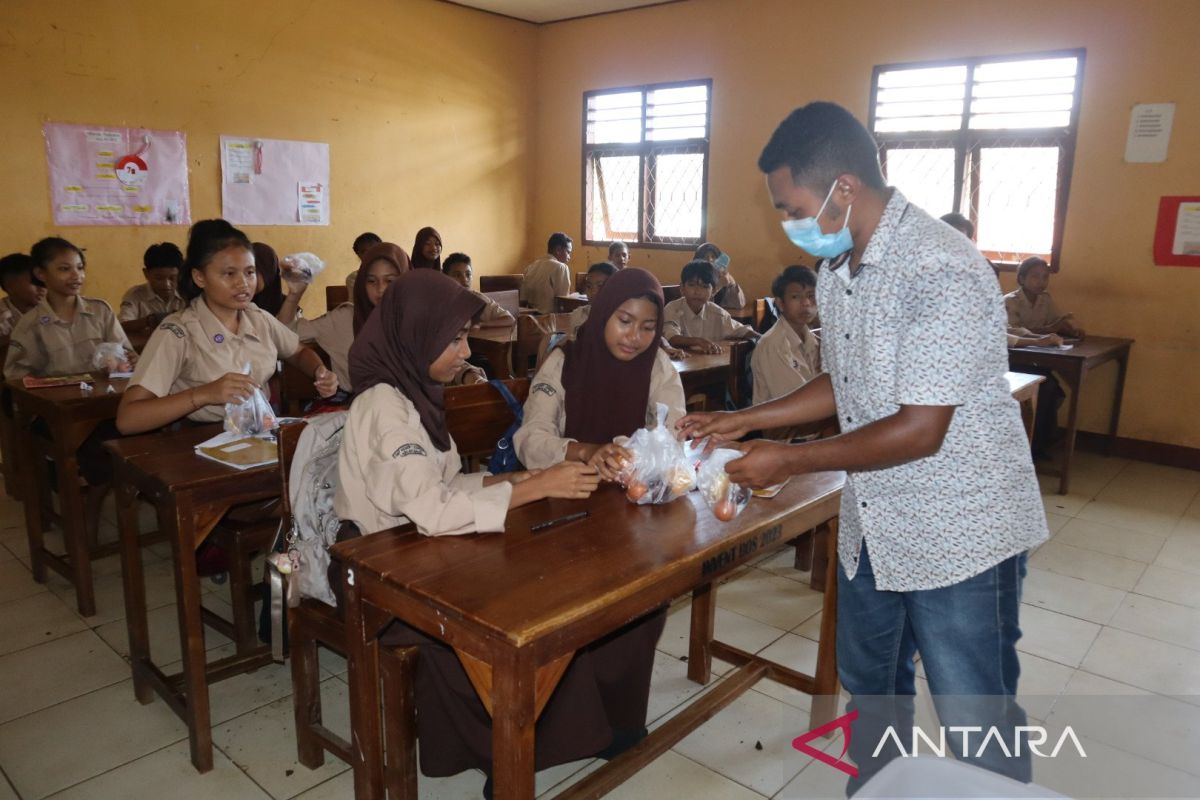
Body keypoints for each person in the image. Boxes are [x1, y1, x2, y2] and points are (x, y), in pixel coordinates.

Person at [678, 102, 1047, 792]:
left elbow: (919, 427)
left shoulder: (941, 268)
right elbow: (843, 380)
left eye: (791, 208)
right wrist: (749, 422)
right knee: (872, 687)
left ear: (844, 188)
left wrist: (785, 460)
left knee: (974, 709)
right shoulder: (840, 269)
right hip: (877, 517)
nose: (787, 223)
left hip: (959, 527)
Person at [336, 269, 663, 787]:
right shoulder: (384, 407)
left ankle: (564, 732)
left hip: (420, 546)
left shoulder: (413, 391)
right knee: (525, 614)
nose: (466, 351)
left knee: (563, 590)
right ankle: (507, 752)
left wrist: (519, 478)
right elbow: (433, 510)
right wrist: (531, 488)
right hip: (385, 572)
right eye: (455, 338)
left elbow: (442, 488)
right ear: (417, 334)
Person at [116, 219, 337, 434]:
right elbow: (128, 419)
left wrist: (320, 371)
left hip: (260, 429)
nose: (243, 283)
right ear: (199, 277)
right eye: (229, 274)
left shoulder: (258, 318)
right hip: (200, 440)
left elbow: (298, 352)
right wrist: (203, 394)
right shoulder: (178, 331)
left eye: (249, 272)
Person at [514, 267, 686, 472]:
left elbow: (674, 434)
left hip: (635, 489)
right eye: (624, 321)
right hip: (566, 486)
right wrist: (586, 451)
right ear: (603, 314)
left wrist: (633, 453)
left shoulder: (656, 364)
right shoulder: (565, 362)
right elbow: (531, 439)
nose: (634, 336)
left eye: (648, 327)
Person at [5, 237, 132, 380]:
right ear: (41, 274)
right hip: (57, 399)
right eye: (64, 269)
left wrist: (123, 363)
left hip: (104, 395)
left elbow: (126, 354)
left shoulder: (100, 311)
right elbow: (17, 375)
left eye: (80, 267)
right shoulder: (30, 324)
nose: (76, 275)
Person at [751, 265, 821, 439]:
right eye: (796, 297)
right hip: (786, 439)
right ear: (780, 303)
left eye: (811, 296)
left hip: (815, 431)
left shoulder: (813, 340)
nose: (806, 303)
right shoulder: (773, 344)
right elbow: (800, 406)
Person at [663, 260, 757, 354]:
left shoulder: (717, 313)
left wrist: (764, 339)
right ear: (682, 288)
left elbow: (742, 330)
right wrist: (699, 341)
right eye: (691, 285)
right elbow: (671, 338)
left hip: (711, 365)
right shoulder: (672, 309)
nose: (697, 291)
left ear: (713, 291)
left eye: (705, 286)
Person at [1004, 257, 1084, 338]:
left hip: (1040, 346)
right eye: (1035, 276)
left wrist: (1071, 331)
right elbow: (1012, 332)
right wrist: (1049, 329)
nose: (1041, 281)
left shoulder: (1045, 299)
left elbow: (1055, 324)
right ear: (1022, 279)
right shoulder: (1009, 301)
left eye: (1045, 277)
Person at [119, 242, 187, 336]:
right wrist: (150, 320)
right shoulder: (135, 295)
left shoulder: (187, 293)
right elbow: (121, 327)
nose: (166, 284)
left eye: (172, 278)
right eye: (159, 278)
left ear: (181, 274)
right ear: (146, 274)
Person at [443, 252, 515, 326]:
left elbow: (509, 319)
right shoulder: (440, 301)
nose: (464, 280)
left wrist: (480, 325)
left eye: (468, 274)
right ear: (445, 277)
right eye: (457, 275)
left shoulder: (477, 298)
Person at [520, 232, 572, 314]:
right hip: (549, 319)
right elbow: (563, 302)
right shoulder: (561, 267)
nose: (569, 257)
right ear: (558, 250)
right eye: (568, 252)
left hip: (530, 318)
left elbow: (522, 300)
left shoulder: (531, 267)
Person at [565, 261, 618, 339]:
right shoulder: (579, 314)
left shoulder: (620, 319)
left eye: (600, 286)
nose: (593, 292)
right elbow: (572, 343)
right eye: (589, 286)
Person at [0, 252, 45, 338]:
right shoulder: (2, 318)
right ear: (10, 285)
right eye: (35, 282)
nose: (43, 288)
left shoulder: (52, 308)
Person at [693, 242, 746, 309]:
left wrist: (732, 285)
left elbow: (739, 305)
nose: (710, 260)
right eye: (705, 257)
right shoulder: (693, 278)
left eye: (713, 257)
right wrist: (718, 286)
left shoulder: (722, 277)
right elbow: (699, 306)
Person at [250, 242, 285, 316]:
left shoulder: (287, 308)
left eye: (250, 272)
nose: (243, 280)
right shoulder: (233, 302)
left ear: (268, 273)